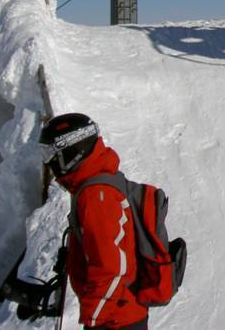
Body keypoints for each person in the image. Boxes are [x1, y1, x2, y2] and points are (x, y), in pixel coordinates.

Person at [39, 113, 149, 330]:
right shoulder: (94, 186)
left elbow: (111, 267)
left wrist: (94, 318)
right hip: (117, 313)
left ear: (71, 151)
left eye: (51, 153)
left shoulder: (96, 195)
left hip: (115, 319)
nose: (49, 161)